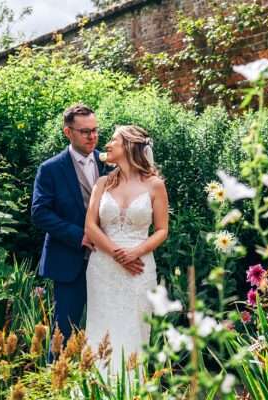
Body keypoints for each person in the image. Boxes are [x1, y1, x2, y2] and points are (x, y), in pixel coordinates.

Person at [31, 104, 145, 354]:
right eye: (84, 132)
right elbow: (39, 213)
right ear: (67, 132)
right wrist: (78, 235)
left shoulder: (110, 164)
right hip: (68, 260)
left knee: (107, 329)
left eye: (95, 130)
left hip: (108, 262)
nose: (92, 137)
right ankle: (56, 386)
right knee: (64, 330)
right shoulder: (50, 169)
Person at [84, 125, 169, 375]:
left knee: (134, 331)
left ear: (130, 146)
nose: (107, 145)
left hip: (138, 269)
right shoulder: (102, 183)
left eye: (113, 140)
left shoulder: (155, 186)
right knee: (101, 328)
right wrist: (116, 253)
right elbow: (90, 225)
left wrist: (135, 252)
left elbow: (162, 230)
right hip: (102, 269)